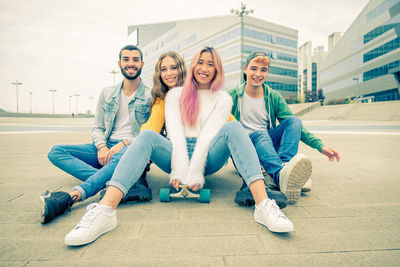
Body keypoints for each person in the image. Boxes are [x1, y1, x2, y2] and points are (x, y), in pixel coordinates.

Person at [64, 47, 294, 246]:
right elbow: (164, 134)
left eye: (210, 64)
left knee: (234, 129)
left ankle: (264, 205)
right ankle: (105, 211)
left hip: (209, 157)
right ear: (193, 66)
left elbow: (226, 135)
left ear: (216, 70)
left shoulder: (220, 99)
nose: (204, 68)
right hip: (176, 153)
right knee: (145, 137)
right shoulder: (170, 98)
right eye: (200, 63)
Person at [40, 45, 153, 224]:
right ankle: (120, 181)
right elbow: (97, 127)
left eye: (135, 60)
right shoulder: (107, 93)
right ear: (119, 63)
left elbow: (151, 132)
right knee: (56, 151)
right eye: (126, 59)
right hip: (106, 147)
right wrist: (101, 147)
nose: (130, 63)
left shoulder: (150, 95)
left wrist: (123, 144)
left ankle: (72, 197)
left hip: (133, 149)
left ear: (142, 64)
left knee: (125, 154)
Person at [229, 52, 340, 205]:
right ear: (245, 69)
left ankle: (285, 169)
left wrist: (320, 146)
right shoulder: (233, 96)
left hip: (266, 145)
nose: (258, 74)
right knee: (260, 133)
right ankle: (282, 174)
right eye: (253, 69)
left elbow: (294, 126)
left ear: (267, 72)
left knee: (294, 121)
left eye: (263, 70)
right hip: (244, 149)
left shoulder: (272, 96)